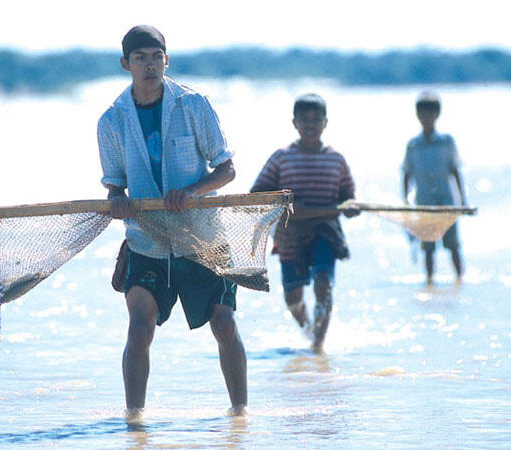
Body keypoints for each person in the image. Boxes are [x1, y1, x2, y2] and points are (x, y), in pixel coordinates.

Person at [97, 25, 247, 418]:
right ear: (125, 64)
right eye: (140, 58)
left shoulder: (194, 105)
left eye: (155, 57)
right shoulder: (112, 121)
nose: (149, 65)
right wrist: (118, 201)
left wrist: (192, 192)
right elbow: (115, 186)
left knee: (224, 324)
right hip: (146, 243)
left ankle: (240, 416)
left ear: (167, 59)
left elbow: (227, 170)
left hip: (202, 240)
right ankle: (134, 421)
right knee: (139, 328)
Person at [250, 93, 358, 353]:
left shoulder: (336, 160)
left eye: (316, 119)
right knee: (293, 296)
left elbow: (348, 195)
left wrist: (351, 206)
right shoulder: (282, 158)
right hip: (290, 234)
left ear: (325, 122)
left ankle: (318, 345)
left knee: (323, 283)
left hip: (326, 232)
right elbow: (257, 193)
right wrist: (286, 203)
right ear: (294, 123)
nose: (310, 124)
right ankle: (309, 329)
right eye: (304, 120)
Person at [402, 91, 467, 285]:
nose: (427, 117)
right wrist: (406, 201)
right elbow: (407, 174)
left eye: (430, 113)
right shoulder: (413, 145)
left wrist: (462, 200)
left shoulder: (446, 142)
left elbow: (455, 170)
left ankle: (459, 281)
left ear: (437, 114)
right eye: (423, 113)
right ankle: (429, 282)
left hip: (447, 203)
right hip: (424, 205)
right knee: (428, 248)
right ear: (417, 115)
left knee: (453, 245)